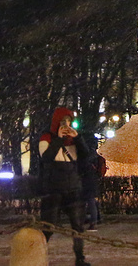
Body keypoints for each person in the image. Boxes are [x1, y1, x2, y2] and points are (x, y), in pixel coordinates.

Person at [38, 107, 92, 266]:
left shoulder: (73, 140)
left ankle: (80, 258)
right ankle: (39, 257)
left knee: (78, 227)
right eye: (63, 122)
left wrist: (79, 138)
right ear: (57, 123)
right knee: (48, 226)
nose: (67, 125)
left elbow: (86, 156)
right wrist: (58, 139)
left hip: (73, 189)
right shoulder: (47, 138)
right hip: (54, 189)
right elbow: (46, 158)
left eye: (69, 121)